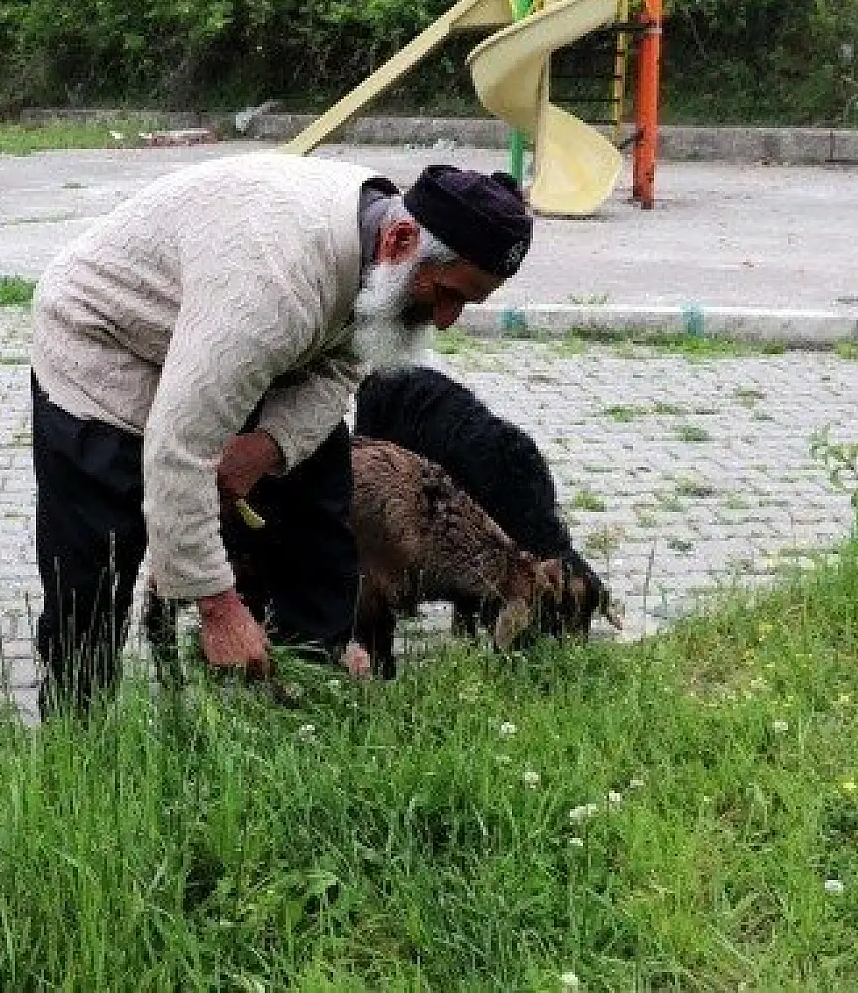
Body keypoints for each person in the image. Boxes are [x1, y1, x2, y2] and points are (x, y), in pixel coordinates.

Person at [29, 152, 533, 713]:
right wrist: (217, 605)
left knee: (316, 490)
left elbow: (343, 366)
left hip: (221, 347)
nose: (445, 320)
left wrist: (268, 447)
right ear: (400, 243)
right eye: (446, 294)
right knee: (95, 570)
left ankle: (309, 688)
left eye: (466, 301)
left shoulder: (376, 251)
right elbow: (179, 450)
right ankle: (77, 732)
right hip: (106, 344)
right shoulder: (272, 285)